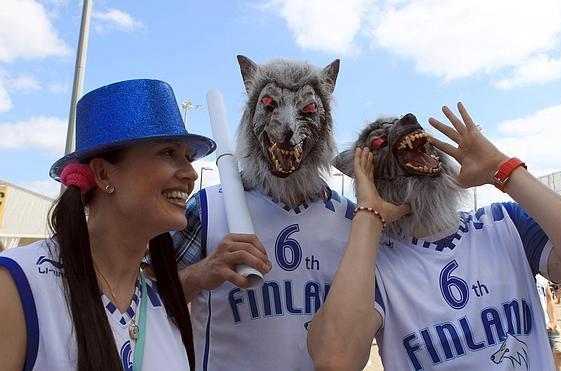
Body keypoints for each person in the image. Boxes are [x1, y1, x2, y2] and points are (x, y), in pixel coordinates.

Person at [308, 103, 561, 370]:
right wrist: (368, 215)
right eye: (378, 147)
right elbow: (335, 360)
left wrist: (504, 170)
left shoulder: (505, 225)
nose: (406, 125)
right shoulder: (373, 267)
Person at [0, 79, 216, 371]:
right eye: (168, 152)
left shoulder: (162, 307)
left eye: (189, 158)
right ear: (103, 174)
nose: (190, 173)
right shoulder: (18, 283)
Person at [173, 56, 354, 370]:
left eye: (308, 110)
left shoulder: (349, 222)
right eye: (269, 105)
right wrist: (200, 274)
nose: (286, 125)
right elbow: (143, 300)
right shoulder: (207, 209)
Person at [536, 275, 561, 371]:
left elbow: (549, 299)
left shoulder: (541, 277)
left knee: (559, 355)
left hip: (548, 326)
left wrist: (553, 322)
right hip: (532, 329)